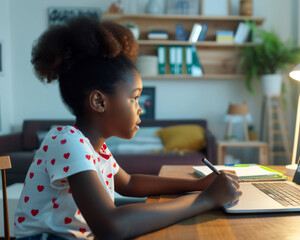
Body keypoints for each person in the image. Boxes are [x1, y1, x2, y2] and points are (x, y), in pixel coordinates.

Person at [14, 17, 241, 240]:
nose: (140, 109)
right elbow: (111, 226)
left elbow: (130, 183)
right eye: (134, 98)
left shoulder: (95, 148)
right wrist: (206, 199)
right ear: (99, 102)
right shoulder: (69, 141)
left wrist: (197, 184)